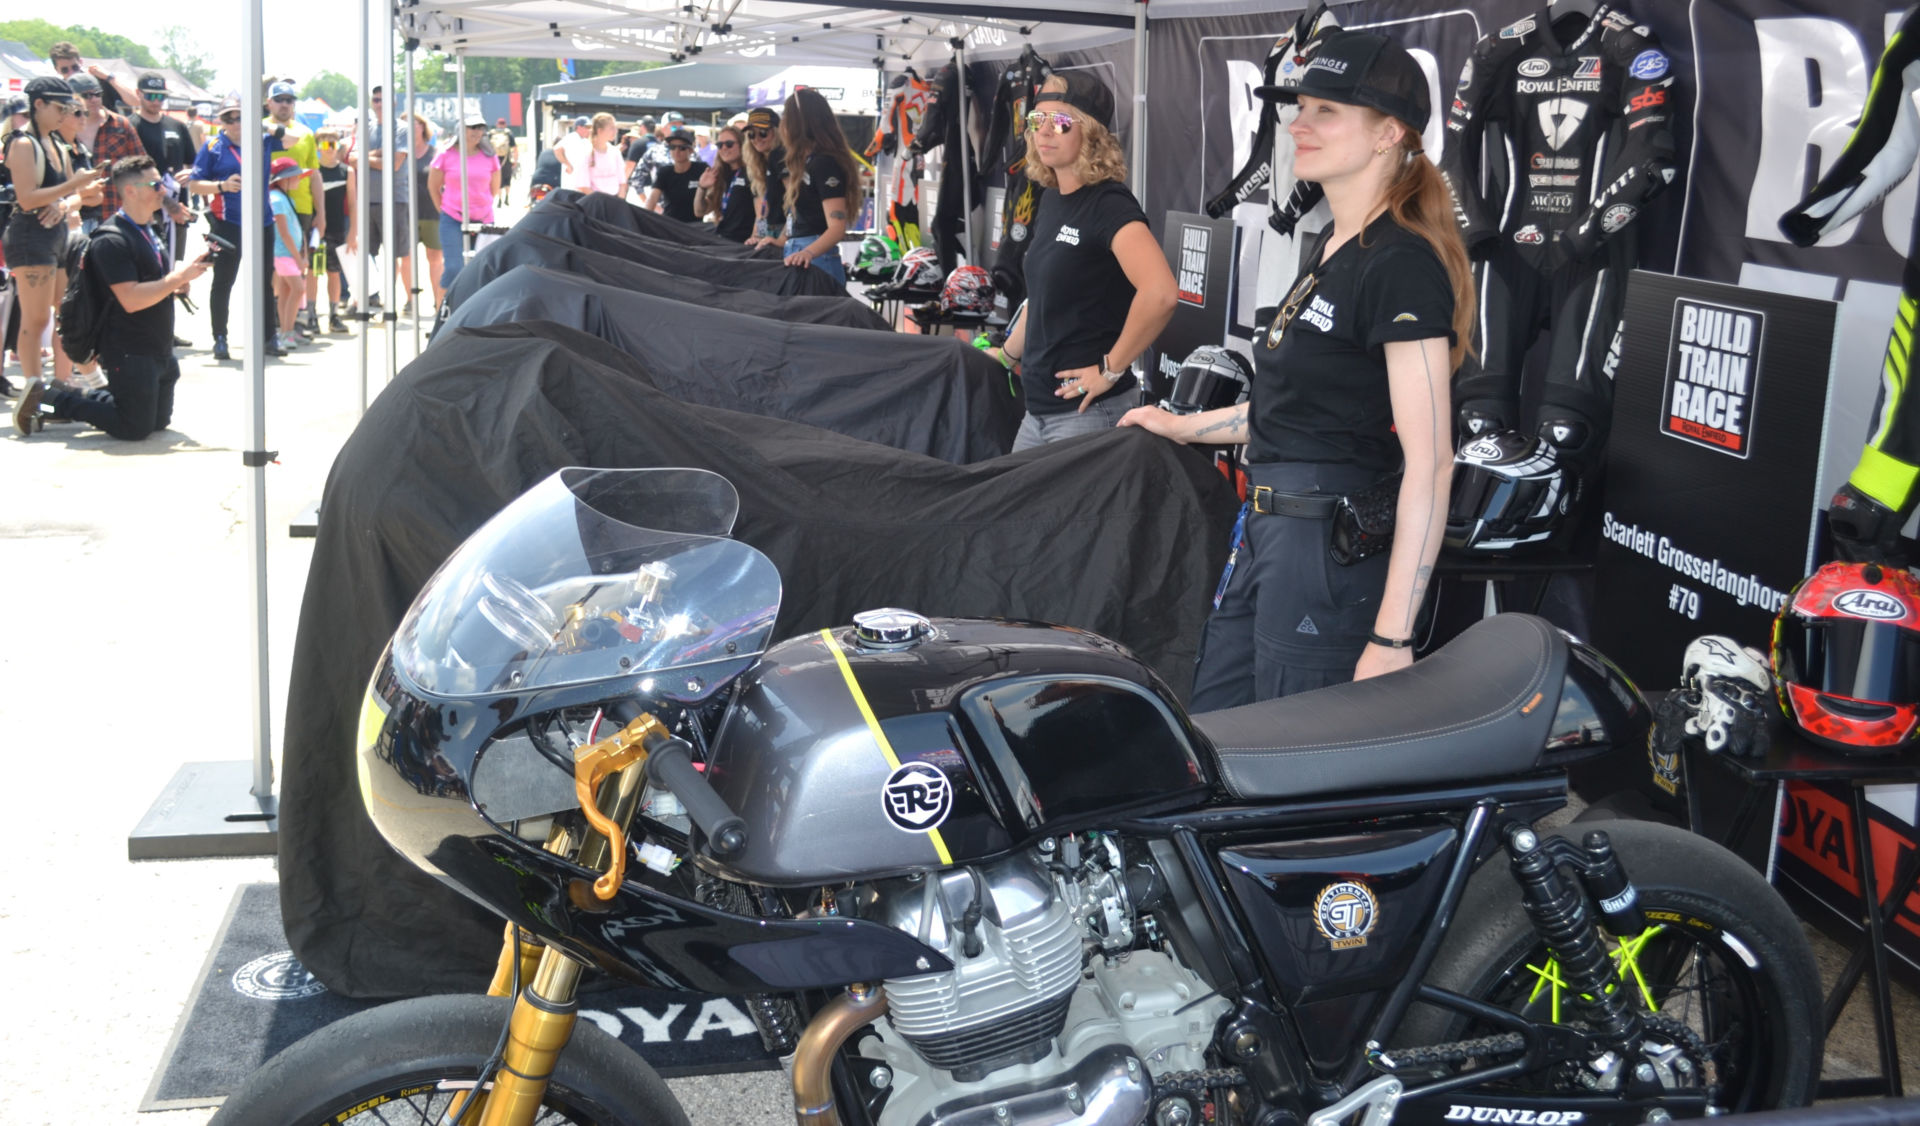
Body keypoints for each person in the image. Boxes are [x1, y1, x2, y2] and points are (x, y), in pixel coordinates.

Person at [1120, 31, 1472, 705]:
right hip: (1267, 531)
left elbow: (1432, 463)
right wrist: (1179, 426)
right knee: (1216, 727)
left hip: (1323, 549)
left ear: (1387, 134)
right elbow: (1297, 410)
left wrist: (1393, 637)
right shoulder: (1333, 244)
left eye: (1326, 111)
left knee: (1294, 761)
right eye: (1299, 107)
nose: (1299, 125)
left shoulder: (1400, 261)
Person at [996, 71, 1175, 449]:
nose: (1043, 131)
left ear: (1092, 134)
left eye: (1060, 122)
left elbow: (1160, 293)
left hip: (1087, 415)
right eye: (1036, 120)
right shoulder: (1050, 197)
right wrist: (1006, 354)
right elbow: (1043, 298)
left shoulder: (1108, 204)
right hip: (1038, 411)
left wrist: (1109, 371)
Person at [14, 156, 208, 438]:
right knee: (134, 427)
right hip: (129, 350)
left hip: (158, 348)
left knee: (155, 421)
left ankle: (64, 394)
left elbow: (154, 283)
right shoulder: (112, 239)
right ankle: (52, 400)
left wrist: (178, 284)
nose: (162, 190)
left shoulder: (148, 230)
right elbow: (129, 298)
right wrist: (178, 278)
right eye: (155, 184)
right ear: (131, 190)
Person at [5, 78, 103, 389]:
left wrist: (65, 201)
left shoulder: (58, 144)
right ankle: (33, 390)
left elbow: (83, 196)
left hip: (58, 233)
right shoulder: (22, 144)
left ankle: (73, 383)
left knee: (67, 313)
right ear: (38, 105)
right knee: (36, 320)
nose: (65, 114)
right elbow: (27, 198)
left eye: (70, 109)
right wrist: (73, 188)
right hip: (30, 236)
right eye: (60, 108)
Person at [190, 96, 284, 360]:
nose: (235, 123)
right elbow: (195, 185)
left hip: (262, 220)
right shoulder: (213, 147)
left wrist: (261, 126)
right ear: (221, 120)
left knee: (265, 281)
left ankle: (269, 336)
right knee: (223, 281)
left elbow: (291, 139)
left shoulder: (262, 140)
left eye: (240, 116)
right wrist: (222, 185)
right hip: (227, 222)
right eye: (228, 117)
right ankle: (220, 338)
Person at [778, 88, 858, 284]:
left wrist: (807, 252)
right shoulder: (807, 163)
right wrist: (781, 241)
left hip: (815, 258)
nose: (782, 124)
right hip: (802, 253)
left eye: (786, 116)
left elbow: (837, 228)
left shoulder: (824, 163)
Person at [265, 80, 324, 335]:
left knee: (300, 264)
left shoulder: (305, 132)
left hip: (301, 208)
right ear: (269, 103)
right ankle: (273, 320)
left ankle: (295, 319)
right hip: (269, 207)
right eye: (280, 99)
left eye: (290, 100)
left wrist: (321, 213)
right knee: (274, 265)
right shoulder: (261, 129)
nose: (285, 104)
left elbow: (314, 174)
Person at [130, 74, 197, 269]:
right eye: (151, 96)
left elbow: (193, 162)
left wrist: (192, 174)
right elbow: (131, 172)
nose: (157, 101)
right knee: (148, 265)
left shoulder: (177, 126)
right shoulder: (131, 126)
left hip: (177, 206)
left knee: (171, 264)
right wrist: (166, 203)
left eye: (161, 96)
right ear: (138, 94)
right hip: (146, 207)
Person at [427, 115, 500, 291]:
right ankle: (446, 310)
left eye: (480, 128)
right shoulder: (446, 154)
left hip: (484, 220)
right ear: (461, 129)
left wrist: (481, 207)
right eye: (472, 127)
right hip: (452, 218)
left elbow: (494, 189)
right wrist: (445, 210)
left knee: (483, 269)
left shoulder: (489, 156)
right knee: (454, 268)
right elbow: (433, 187)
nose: (477, 132)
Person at [63, 74, 143, 232]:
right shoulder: (64, 129)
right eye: (86, 95)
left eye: (97, 94)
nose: (93, 99)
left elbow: (142, 167)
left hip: (115, 213)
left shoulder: (121, 124)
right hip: (76, 217)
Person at [358, 86, 413, 312]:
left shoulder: (402, 129)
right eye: (376, 99)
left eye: (384, 100)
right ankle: (372, 296)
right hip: (366, 200)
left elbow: (394, 164)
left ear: (394, 103)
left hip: (394, 200)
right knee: (368, 255)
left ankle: (393, 299)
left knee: (394, 254)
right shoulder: (366, 128)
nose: (379, 104)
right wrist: (379, 154)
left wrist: (366, 157)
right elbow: (350, 157)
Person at [315, 126, 356, 332]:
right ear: (318, 147)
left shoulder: (346, 171)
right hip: (315, 229)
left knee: (334, 273)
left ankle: (333, 314)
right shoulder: (313, 169)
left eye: (333, 143)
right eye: (324, 143)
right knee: (312, 272)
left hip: (338, 228)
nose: (329, 148)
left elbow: (354, 203)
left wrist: (353, 232)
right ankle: (311, 315)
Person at [268, 157, 305, 351]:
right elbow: (284, 232)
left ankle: (285, 331)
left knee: (286, 292)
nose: (299, 179)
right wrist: (298, 258)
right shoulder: (277, 199)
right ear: (285, 179)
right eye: (296, 176)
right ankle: (287, 332)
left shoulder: (282, 198)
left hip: (285, 253)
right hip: (284, 254)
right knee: (297, 289)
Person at [696, 124, 754, 242]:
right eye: (719, 145)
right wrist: (701, 187)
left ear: (742, 144)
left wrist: (756, 236)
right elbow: (699, 212)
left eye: (729, 144)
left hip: (745, 243)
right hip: (723, 239)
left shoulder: (752, 172)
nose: (724, 148)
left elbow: (762, 210)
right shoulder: (720, 175)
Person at [740, 107, 787, 249]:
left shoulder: (781, 157)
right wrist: (757, 236)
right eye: (751, 135)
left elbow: (795, 205)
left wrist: (783, 239)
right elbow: (761, 210)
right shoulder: (757, 165)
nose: (757, 139)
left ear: (777, 131)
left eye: (763, 132)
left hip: (787, 233)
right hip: (770, 232)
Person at [410, 114, 444, 310]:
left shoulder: (435, 153)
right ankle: (409, 301)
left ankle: (438, 301)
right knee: (405, 258)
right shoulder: (400, 153)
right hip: (406, 212)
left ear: (423, 127)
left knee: (435, 258)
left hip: (432, 212)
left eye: (413, 124)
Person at [47, 43, 132, 115]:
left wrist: (110, 78)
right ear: (56, 70)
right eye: (65, 70)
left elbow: (135, 101)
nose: (71, 73)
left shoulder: (99, 80)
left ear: (80, 62)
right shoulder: (60, 92)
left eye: (75, 67)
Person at [644, 127, 706, 220]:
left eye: (682, 148)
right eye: (672, 147)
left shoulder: (701, 169)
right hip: (670, 225)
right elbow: (652, 199)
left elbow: (715, 194)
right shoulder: (665, 172)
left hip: (695, 227)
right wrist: (644, 219)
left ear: (691, 150)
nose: (677, 151)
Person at [582, 112, 626, 196]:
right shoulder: (586, 153)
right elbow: (583, 187)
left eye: (615, 128)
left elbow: (622, 182)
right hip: (593, 202)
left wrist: (619, 203)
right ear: (600, 130)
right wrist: (602, 203)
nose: (616, 131)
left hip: (614, 201)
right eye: (612, 128)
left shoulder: (615, 152)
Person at [555, 114, 593, 191]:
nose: (589, 130)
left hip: (583, 184)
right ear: (579, 127)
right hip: (571, 183)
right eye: (587, 127)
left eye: (590, 127)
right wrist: (568, 165)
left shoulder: (586, 141)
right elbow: (557, 149)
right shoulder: (572, 137)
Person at [488, 117, 516, 208]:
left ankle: (499, 199)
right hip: (506, 160)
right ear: (505, 125)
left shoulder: (491, 134)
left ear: (497, 124)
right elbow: (515, 148)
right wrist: (515, 160)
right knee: (507, 180)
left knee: (498, 181)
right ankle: (507, 197)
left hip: (495, 160)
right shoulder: (508, 134)